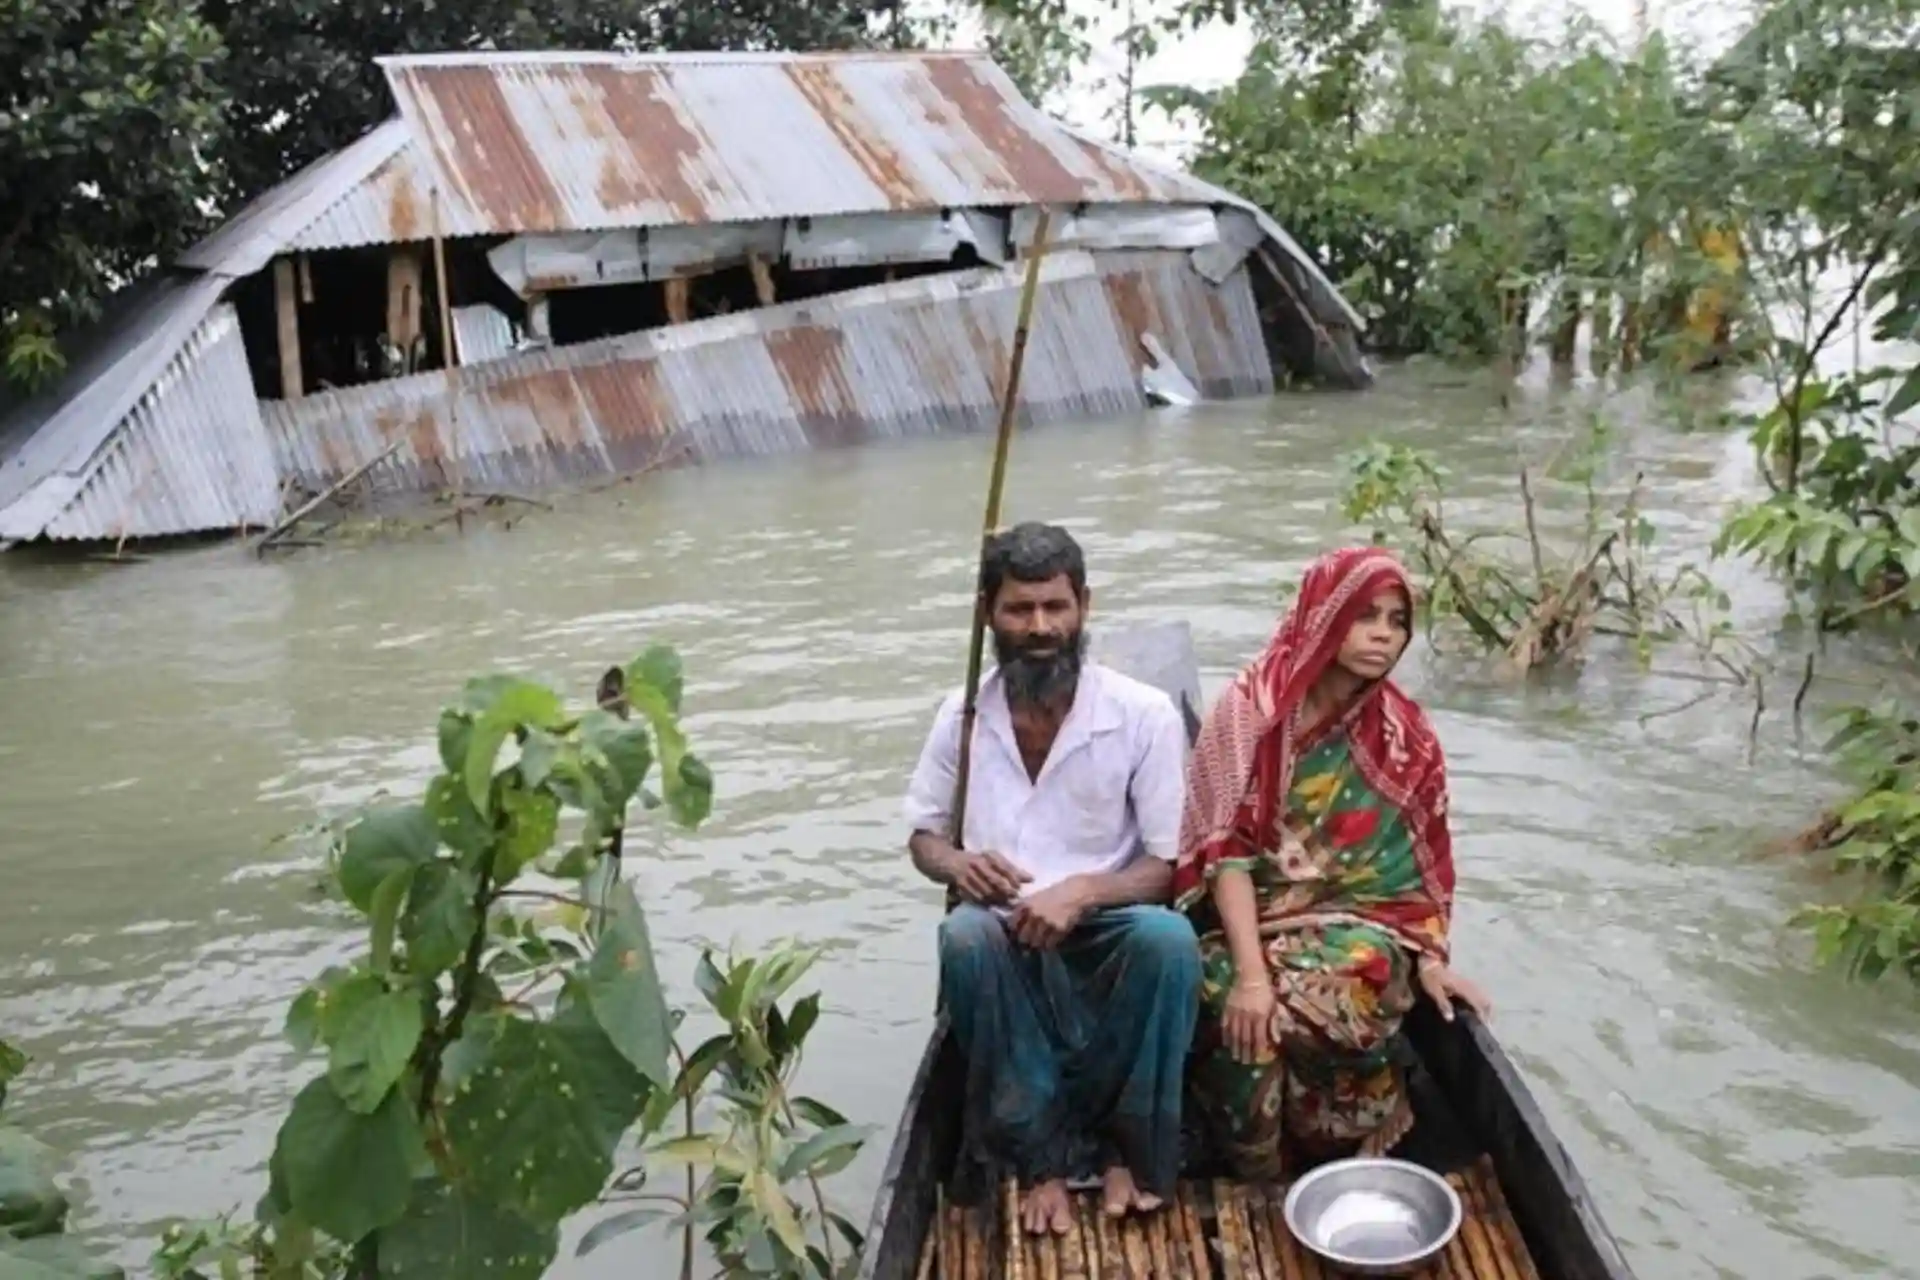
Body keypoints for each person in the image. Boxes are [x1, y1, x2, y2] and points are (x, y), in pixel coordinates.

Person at [903, 521, 1200, 1235]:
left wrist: (1084, 891)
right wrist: (959, 863)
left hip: (1107, 922)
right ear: (989, 614)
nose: (1040, 628)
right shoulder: (962, 715)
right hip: (1004, 926)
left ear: (1083, 607)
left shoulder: (1143, 715)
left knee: (1171, 944)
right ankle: (1040, 1160)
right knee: (965, 939)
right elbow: (922, 837)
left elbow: (1166, 866)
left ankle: (1132, 1150)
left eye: (1055, 608)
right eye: (1019, 609)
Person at [1174, 546, 1491, 1180]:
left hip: (1355, 929)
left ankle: (1339, 1128)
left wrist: (1430, 958)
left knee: (1363, 976)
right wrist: (1252, 976)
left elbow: (1420, 867)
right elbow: (1223, 852)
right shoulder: (1251, 709)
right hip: (1243, 926)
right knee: (1229, 1007)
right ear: (1324, 615)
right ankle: (1258, 1174)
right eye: (1365, 615)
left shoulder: (1407, 736)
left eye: (1397, 620)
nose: (1383, 634)